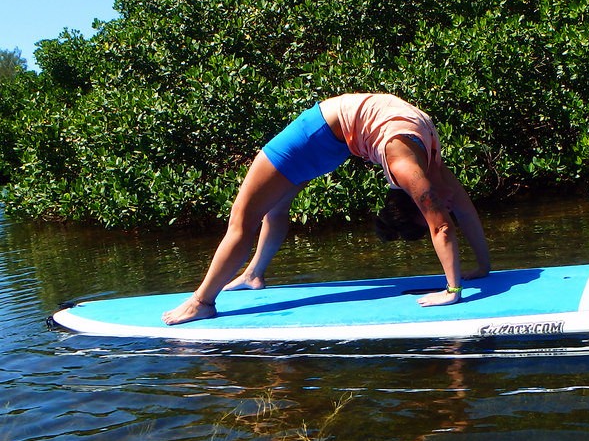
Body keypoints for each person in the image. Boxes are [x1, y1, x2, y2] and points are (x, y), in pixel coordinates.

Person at [162, 93, 491, 325]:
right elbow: (446, 224)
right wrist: (459, 284)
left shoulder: (422, 168)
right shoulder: (414, 168)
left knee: (243, 219)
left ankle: (203, 302)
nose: (446, 208)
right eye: (436, 210)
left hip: (323, 137)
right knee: (266, 212)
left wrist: (473, 274)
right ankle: (252, 275)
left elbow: (454, 219)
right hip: (326, 139)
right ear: (415, 201)